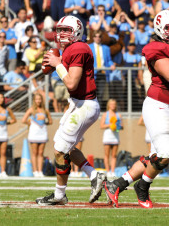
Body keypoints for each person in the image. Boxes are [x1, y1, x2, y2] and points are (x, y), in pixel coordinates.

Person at [103, 10, 169, 208]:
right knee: (168, 152)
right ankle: (142, 187)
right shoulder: (156, 48)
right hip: (158, 105)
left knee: (156, 157)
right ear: (160, 29)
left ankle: (117, 185)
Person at [35, 15, 106, 205]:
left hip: (85, 104)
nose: (62, 34)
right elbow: (52, 70)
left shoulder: (79, 48)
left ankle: (59, 195)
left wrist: (58, 64)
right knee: (63, 144)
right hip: (77, 103)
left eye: (67, 30)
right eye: (60, 30)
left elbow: (72, 83)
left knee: (60, 150)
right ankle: (94, 176)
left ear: (77, 31)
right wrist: (53, 64)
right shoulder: (68, 50)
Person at [22, 93, 52, 177]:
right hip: (34, 133)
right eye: (36, 99)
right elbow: (23, 120)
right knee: (34, 152)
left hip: (42, 132)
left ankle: (40, 171)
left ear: (42, 100)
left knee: (41, 152)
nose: (38, 101)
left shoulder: (45, 110)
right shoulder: (31, 110)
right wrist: (31, 123)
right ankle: (35, 171)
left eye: (40, 99)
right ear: (34, 100)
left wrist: (44, 123)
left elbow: (50, 121)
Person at [100, 99, 123, 178]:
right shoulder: (105, 114)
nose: (113, 105)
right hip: (107, 136)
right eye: (111, 104)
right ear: (108, 105)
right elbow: (101, 126)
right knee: (106, 155)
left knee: (114, 155)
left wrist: (117, 127)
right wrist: (110, 125)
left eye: (114, 104)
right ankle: (108, 171)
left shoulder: (118, 115)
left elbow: (121, 127)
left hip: (115, 137)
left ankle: (113, 171)